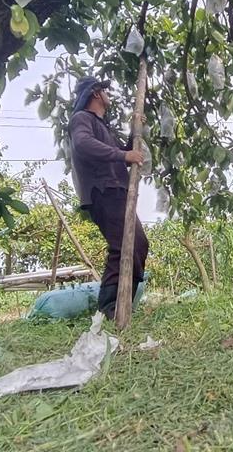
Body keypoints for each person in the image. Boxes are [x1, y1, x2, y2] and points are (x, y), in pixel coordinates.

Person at [67, 76, 148, 320]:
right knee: (122, 245)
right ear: (95, 93)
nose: (108, 94)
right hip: (103, 190)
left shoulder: (102, 126)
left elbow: (122, 152)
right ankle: (110, 308)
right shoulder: (81, 120)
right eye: (105, 90)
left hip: (116, 191)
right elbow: (83, 144)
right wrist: (124, 157)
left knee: (138, 244)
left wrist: (135, 133)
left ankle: (124, 302)